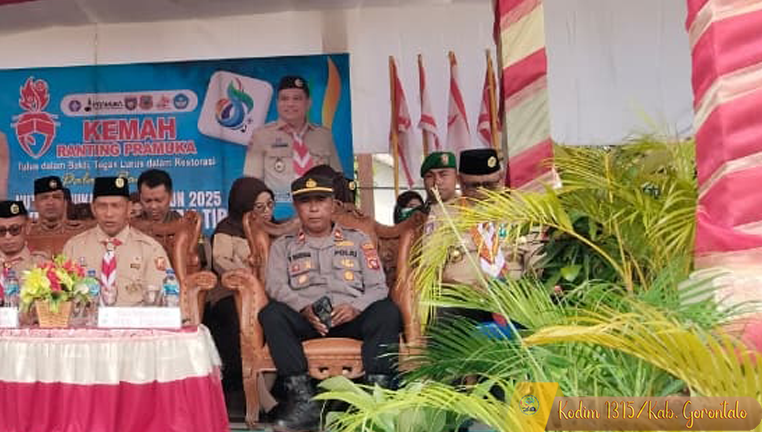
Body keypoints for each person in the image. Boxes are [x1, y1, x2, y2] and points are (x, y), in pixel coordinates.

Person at [259, 174, 401, 430]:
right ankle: (304, 403)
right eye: (305, 202)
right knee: (271, 314)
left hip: (351, 319)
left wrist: (356, 307)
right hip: (307, 321)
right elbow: (275, 286)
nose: (313, 208)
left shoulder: (358, 240)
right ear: (296, 206)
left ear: (333, 204)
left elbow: (378, 286)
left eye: (320, 200)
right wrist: (304, 308)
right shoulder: (283, 246)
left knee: (387, 311)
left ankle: (375, 400)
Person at [63, 176, 172, 306]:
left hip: (134, 318)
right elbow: (61, 298)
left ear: (129, 208)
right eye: (102, 206)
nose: (109, 214)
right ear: (93, 209)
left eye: (116, 206)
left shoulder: (150, 249)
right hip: (86, 317)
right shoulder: (74, 247)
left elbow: (162, 300)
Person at [242, 76, 342, 203]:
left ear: (308, 103)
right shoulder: (261, 135)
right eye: (284, 99)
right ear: (277, 103)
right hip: (279, 210)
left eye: (297, 98)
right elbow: (252, 184)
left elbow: (338, 180)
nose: (290, 104)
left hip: (318, 208)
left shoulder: (324, 135)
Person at [0, 200, 49, 275]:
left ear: (27, 227)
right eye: (1, 231)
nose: (8, 237)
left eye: (15, 229)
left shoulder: (42, 265)